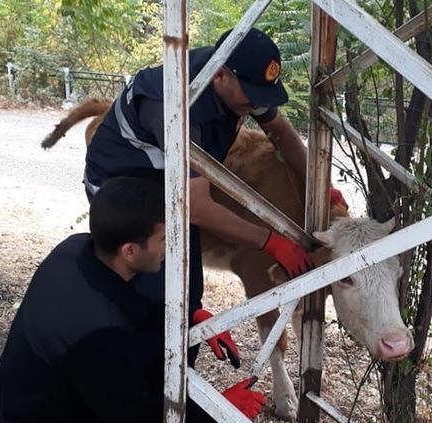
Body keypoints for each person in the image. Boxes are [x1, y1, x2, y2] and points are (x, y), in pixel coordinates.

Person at [0, 178, 266, 423]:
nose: (171, 246)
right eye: (164, 238)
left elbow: (133, 305)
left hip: (38, 406)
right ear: (130, 251)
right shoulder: (99, 335)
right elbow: (144, 422)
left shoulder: (77, 250)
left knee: (158, 347)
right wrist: (219, 411)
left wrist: (192, 316)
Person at [83, 27, 348, 327]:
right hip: (122, 193)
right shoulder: (176, 104)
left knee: (188, 296)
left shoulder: (239, 81)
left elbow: (283, 134)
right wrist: (272, 242)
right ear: (220, 75)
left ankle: (182, 344)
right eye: (252, 97)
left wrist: (320, 186)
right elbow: (196, 207)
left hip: (170, 185)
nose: (256, 105)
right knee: (155, 295)